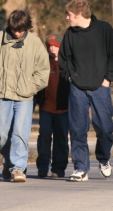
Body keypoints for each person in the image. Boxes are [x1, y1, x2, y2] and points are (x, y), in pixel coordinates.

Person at [58, 0, 113, 182]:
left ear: (79, 14)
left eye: (69, 15)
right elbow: (64, 59)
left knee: (104, 128)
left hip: (100, 87)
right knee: (78, 128)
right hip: (77, 88)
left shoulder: (103, 29)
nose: (67, 18)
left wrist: (108, 79)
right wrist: (70, 76)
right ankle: (80, 168)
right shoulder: (70, 34)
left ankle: (104, 159)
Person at [0, 10, 50, 183]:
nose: (17, 33)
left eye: (21, 30)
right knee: (3, 134)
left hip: (25, 97)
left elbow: (43, 71)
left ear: (27, 28)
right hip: (3, 95)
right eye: (14, 30)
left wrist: (30, 87)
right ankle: (8, 163)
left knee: (20, 132)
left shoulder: (35, 43)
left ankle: (18, 167)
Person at [36, 33, 70, 178]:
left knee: (61, 138)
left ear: (60, 47)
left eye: (55, 46)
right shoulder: (43, 64)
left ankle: (58, 168)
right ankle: (43, 167)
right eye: (50, 46)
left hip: (63, 108)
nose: (52, 49)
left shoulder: (67, 64)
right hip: (46, 107)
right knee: (44, 135)